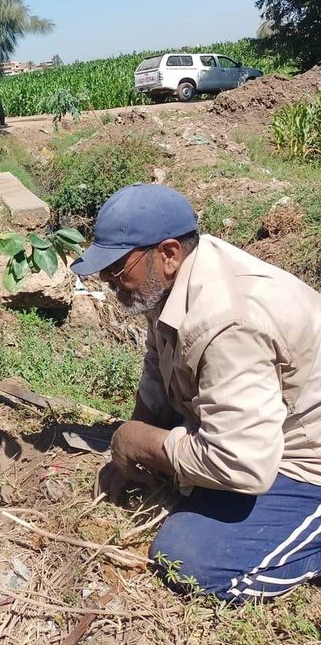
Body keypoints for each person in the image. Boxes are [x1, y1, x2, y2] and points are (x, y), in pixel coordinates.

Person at [71, 183, 321, 601]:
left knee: (190, 560)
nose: (107, 281)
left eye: (117, 268)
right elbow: (157, 364)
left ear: (168, 254)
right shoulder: (173, 282)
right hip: (266, 429)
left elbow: (240, 463)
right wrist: (138, 430)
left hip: (306, 459)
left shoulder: (229, 323)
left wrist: (141, 442)